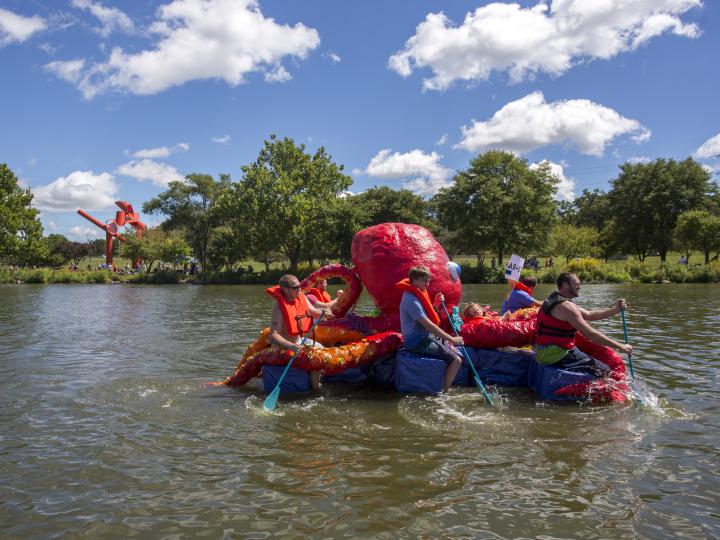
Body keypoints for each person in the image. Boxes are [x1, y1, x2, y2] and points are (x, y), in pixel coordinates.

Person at [535, 272, 633, 376]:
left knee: (587, 356)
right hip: (556, 355)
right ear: (565, 285)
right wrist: (621, 346)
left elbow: (589, 315)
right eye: (576, 283)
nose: (579, 286)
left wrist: (615, 310)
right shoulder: (566, 307)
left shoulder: (554, 299)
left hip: (544, 351)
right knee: (605, 371)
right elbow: (590, 334)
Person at [397, 266, 463, 392]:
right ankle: (444, 393)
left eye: (428, 281)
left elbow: (430, 316)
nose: (427, 285)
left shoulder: (418, 292)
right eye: (424, 281)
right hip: (417, 343)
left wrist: (436, 304)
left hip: (425, 337)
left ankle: (442, 383)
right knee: (457, 360)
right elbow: (428, 325)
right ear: (414, 279)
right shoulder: (411, 300)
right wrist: (452, 339)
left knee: (455, 351)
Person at [268, 274, 331, 390]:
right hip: (282, 348)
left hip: (298, 341)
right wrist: (291, 346)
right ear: (286, 289)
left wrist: (323, 312)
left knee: (321, 349)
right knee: (315, 357)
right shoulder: (278, 308)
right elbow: (273, 335)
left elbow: (313, 312)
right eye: (296, 287)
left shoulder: (301, 297)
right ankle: (316, 389)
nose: (300, 289)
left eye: (300, 286)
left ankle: (316, 381)